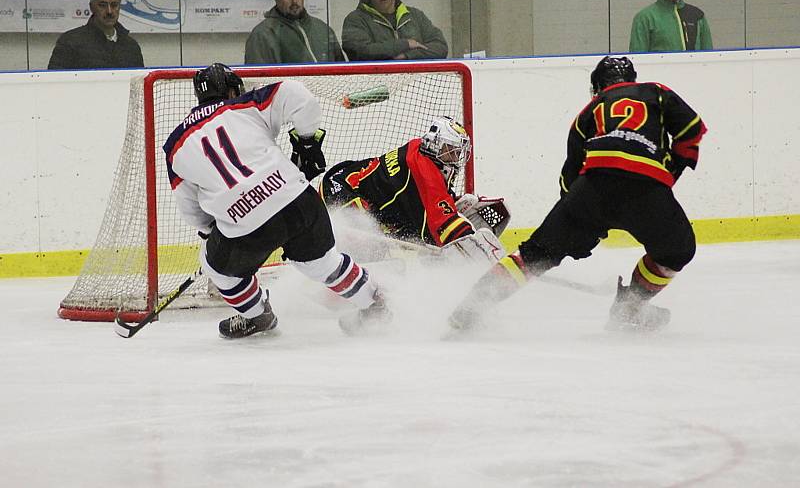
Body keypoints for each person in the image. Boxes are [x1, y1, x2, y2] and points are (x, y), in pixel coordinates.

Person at [448, 56, 708, 333]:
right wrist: (670, 173)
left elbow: (569, 178)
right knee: (677, 251)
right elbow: (692, 130)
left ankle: (468, 309)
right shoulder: (655, 91)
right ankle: (629, 309)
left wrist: (575, 228)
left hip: (592, 188)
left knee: (533, 255)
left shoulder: (588, 112)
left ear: (597, 86)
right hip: (646, 188)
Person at [164, 63, 390, 338]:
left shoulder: (174, 145)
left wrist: (210, 231)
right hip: (297, 200)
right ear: (232, 87)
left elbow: (191, 210)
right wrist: (307, 142)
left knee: (218, 270)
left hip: (244, 225)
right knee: (322, 263)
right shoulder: (246, 104)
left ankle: (258, 316)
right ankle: (374, 302)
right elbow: (298, 95)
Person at [320, 117, 508, 263]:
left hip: (345, 181)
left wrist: (449, 202)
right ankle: (333, 273)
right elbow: (444, 223)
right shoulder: (426, 172)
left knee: (399, 229)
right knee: (373, 246)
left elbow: (416, 199)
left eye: (457, 152)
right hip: (340, 195)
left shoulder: (418, 147)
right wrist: (473, 244)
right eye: (449, 150)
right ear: (434, 145)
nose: (454, 157)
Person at [341, 0, 448, 61]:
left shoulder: (415, 16)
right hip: (375, 80)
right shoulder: (355, 20)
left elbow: (441, 47)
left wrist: (407, 56)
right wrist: (405, 44)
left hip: (416, 80)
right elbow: (359, 52)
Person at [245, 0, 346, 64]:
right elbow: (259, 79)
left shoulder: (322, 28)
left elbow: (342, 70)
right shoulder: (263, 34)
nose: (294, 1)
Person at [48, 0, 144, 70]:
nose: (109, 11)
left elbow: (139, 84)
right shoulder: (70, 42)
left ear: (119, 7)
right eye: (103, 5)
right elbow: (55, 82)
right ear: (91, 7)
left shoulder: (131, 47)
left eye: (114, 5)